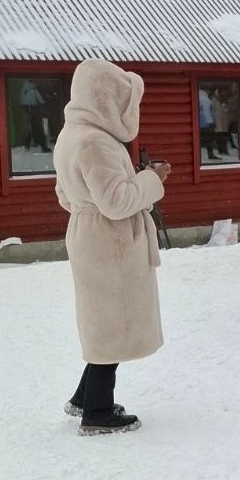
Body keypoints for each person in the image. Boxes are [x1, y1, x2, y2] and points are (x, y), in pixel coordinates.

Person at [53, 58, 169, 435]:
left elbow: (65, 195)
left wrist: (124, 185)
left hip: (91, 235)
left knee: (102, 318)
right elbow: (116, 202)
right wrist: (151, 179)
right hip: (110, 241)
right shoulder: (95, 142)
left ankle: (85, 397)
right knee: (112, 323)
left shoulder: (72, 134)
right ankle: (97, 413)